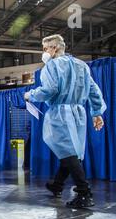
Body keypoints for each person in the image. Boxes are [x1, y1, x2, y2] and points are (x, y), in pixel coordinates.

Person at [24, 35, 106, 208]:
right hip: (79, 113)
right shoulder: (81, 65)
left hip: (61, 113)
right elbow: (93, 90)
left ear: (53, 48)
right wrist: (96, 113)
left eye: (45, 49)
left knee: (68, 152)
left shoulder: (52, 66)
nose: (44, 52)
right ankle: (57, 185)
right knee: (70, 151)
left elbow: (49, 89)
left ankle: (84, 193)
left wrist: (30, 95)